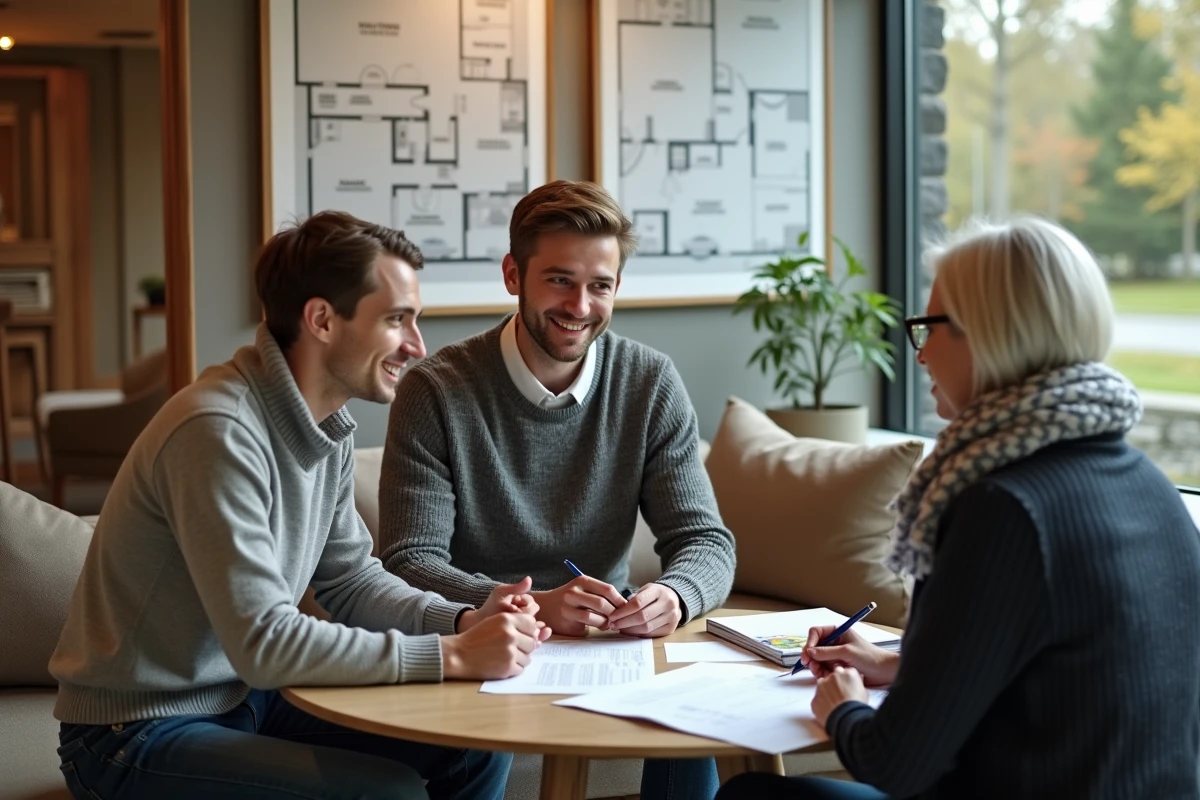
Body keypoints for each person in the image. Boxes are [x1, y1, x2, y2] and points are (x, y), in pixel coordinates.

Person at [50, 211, 553, 800]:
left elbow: (351, 580)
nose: (417, 346)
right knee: (384, 791)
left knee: (473, 742)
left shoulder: (324, 428)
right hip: (131, 733)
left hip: (242, 700)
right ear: (321, 319)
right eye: (397, 321)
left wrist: (464, 620)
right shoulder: (217, 431)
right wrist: (451, 654)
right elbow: (265, 642)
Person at [717, 217, 1200, 800]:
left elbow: (893, 762)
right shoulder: (1148, 482)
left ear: (990, 334)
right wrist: (897, 669)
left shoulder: (1001, 507)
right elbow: (1065, 677)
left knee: (753, 793)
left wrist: (841, 707)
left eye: (927, 328)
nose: (919, 357)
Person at [378, 180, 736, 798]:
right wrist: (530, 604)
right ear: (514, 274)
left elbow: (706, 540)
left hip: (605, 651)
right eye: (560, 280)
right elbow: (408, 562)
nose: (580, 305)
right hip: (479, 649)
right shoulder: (436, 390)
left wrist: (674, 596)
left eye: (601, 285)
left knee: (696, 727)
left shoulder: (649, 383)